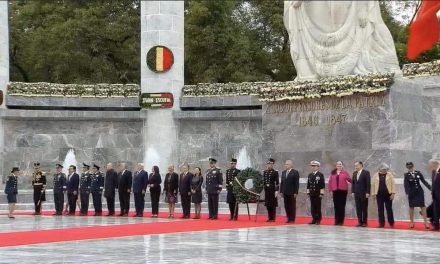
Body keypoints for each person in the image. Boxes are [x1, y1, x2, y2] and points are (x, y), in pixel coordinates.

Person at [283, 0, 400, 81]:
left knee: (374, 27)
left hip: (351, 11)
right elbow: (293, 4)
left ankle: (384, 64)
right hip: (316, 16)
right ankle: (307, 72)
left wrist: (363, 8)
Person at [404, 162, 431, 229]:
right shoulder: (406, 175)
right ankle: (411, 222)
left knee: (423, 206)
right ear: (407, 168)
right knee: (411, 207)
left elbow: (423, 181)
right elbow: (406, 184)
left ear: (413, 166)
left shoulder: (418, 173)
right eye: (409, 167)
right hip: (411, 193)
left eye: (411, 167)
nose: (410, 168)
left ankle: (425, 222)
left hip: (419, 192)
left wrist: (430, 188)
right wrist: (407, 192)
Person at [371, 163, 396, 228]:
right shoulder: (375, 175)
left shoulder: (390, 175)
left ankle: (391, 223)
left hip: (388, 195)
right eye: (383, 169)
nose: (385, 170)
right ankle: (381, 224)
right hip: (379, 195)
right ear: (380, 169)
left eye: (386, 169)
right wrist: (373, 194)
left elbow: (393, 184)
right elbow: (373, 185)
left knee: (389, 209)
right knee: (380, 209)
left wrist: (393, 193)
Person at [328, 161, 352, 225]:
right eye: (338, 165)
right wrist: (330, 190)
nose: (339, 166)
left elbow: (350, 180)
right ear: (336, 166)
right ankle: (336, 221)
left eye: (340, 165)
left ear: (342, 166)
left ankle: (341, 221)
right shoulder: (333, 173)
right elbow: (330, 182)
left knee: (342, 206)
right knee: (336, 206)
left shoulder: (345, 172)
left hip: (343, 191)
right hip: (335, 191)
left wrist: (348, 178)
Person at [352, 161, 371, 227]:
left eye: (357, 165)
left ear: (361, 165)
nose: (356, 167)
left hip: (364, 193)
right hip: (356, 193)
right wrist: (353, 191)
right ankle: (360, 222)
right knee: (358, 208)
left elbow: (368, 183)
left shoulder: (366, 173)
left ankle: (365, 222)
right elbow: (353, 183)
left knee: (364, 208)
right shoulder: (354, 173)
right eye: (355, 166)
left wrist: (368, 192)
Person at [306, 161, 325, 225]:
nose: (313, 167)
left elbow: (322, 185)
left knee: (318, 207)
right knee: (313, 207)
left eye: (314, 166)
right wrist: (308, 192)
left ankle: (318, 219)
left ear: (318, 167)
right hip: (312, 193)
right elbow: (308, 184)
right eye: (312, 166)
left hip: (318, 193)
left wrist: (321, 193)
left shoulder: (320, 174)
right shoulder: (310, 175)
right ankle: (314, 219)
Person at [263, 158, 279, 222]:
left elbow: (277, 182)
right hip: (267, 190)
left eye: (270, 164)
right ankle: (269, 217)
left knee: (272, 204)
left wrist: (277, 190)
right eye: (268, 163)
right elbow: (264, 181)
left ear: (272, 164)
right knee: (268, 204)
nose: (269, 165)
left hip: (272, 190)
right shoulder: (265, 172)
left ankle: (273, 218)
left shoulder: (275, 172)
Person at [429, 159, 440, 231]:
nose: (430, 167)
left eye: (431, 165)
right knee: (436, 212)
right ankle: (436, 226)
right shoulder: (433, 172)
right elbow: (434, 184)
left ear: (435, 165)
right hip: (435, 196)